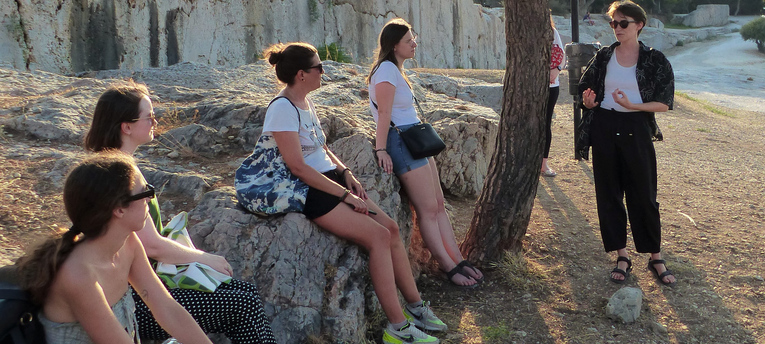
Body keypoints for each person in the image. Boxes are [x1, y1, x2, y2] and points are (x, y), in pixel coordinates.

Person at [257, 42, 446, 344]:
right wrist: (345, 196)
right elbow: (298, 167)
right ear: (302, 74)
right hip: (311, 189)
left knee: (392, 229)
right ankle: (397, 329)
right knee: (378, 237)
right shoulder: (282, 108)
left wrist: (346, 173)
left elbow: (322, 148)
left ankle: (415, 307)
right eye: (319, 66)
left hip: (332, 179)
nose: (324, 71)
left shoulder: (305, 102)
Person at [84, 82, 276, 344]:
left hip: (142, 286)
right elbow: (151, 245)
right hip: (134, 301)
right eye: (149, 116)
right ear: (126, 127)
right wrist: (205, 258)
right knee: (243, 303)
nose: (155, 121)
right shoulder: (119, 175)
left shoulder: (111, 166)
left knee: (241, 295)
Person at [15, 153, 215, 344]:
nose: (149, 200)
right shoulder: (79, 275)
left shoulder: (128, 243)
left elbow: (166, 307)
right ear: (119, 208)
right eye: (146, 192)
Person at [366, 18, 484, 288]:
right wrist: (381, 148)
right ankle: (448, 266)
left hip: (415, 138)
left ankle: (457, 258)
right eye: (409, 40)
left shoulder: (395, 69)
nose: (414, 43)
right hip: (401, 142)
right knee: (428, 209)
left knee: (439, 204)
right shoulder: (385, 71)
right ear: (394, 45)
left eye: (413, 38)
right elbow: (384, 114)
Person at [577, 0, 677, 287]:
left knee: (643, 195)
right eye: (613, 23)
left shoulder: (655, 60)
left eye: (623, 23)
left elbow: (664, 104)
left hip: (636, 128)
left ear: (639, 25)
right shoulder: (603, 56)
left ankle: (655, 256)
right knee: (609, 195)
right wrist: (589, 101)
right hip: (605, 127)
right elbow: (586, 89)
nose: (617, 29)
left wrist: (633, 105)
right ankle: (622, 255)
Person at [542, 14, 566, 177]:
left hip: (551, 86)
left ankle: (543, 164)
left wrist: (556, 70)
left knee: (545, 124)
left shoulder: (552, 32)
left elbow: (562, 57)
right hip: (530, 86)